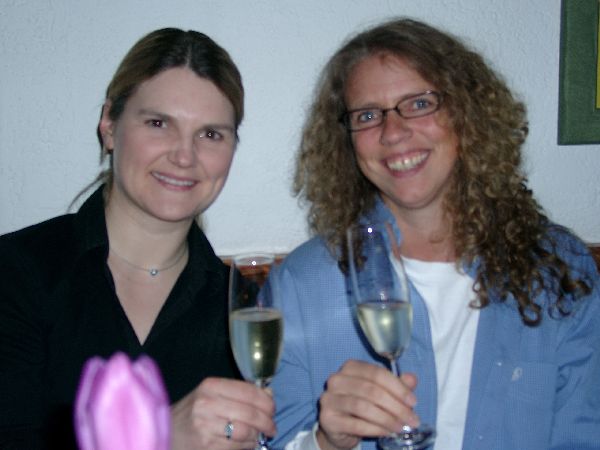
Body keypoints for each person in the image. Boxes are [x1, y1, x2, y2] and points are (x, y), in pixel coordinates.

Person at [269, 17, 600, 450]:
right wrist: (327, 442)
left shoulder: (559, 269)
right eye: (367, 115)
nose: (393, 132)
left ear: (466, 114)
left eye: (419, 103)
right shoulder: (301, 284)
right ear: (346, 140)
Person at [0, 28, 275, 449]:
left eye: (210, 134)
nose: (184, 156)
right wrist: (158, 437)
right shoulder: (17, 272)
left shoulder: (240, 307)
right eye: (158, 123)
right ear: (109, 125)